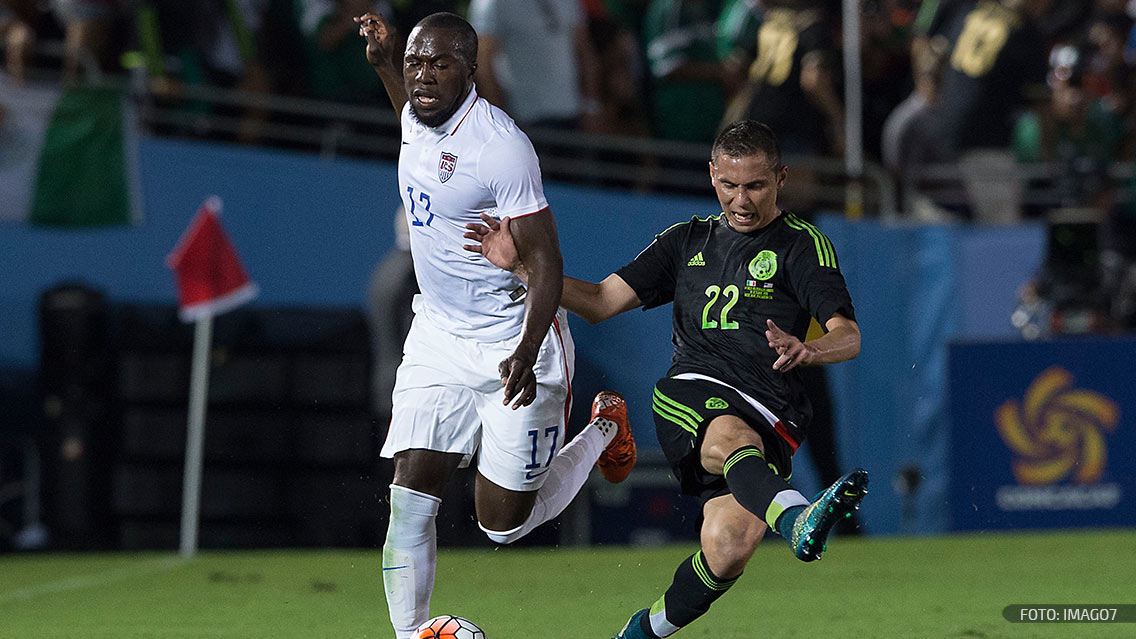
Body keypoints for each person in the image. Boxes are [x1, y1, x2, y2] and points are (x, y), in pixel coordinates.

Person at [464, 119, 868, 638]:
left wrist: (809, 348)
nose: (741, 200)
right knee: (728, 433)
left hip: (771, 408)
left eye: (756, 186)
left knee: (729, 546)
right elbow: (601, 301)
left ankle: (638, 633)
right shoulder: (685, 242)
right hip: (692, 394)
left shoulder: (804, 246)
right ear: (711, 176)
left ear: (781, 178)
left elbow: (849, 335)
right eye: (729, 184)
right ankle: (797, 521)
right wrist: (522, 267)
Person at [354, 11, 637, 638]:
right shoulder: (416, 115)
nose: (423, 78)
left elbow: (547, 262)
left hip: (515, 339)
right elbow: (407, 109)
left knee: (502, 523)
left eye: (440, 65)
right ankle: (412, 635)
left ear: (472, 70)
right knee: (409, 491)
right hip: (438, 333)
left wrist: (527, 349)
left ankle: (601, 430)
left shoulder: (499, 147)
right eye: (415, 64)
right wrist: (382, 62)